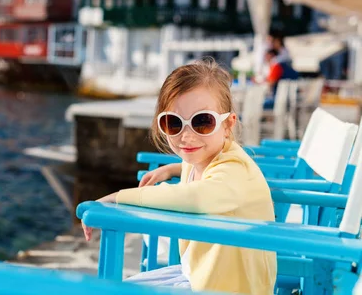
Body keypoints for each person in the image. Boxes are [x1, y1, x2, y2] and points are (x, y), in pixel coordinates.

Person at [81, 59, 277, 294]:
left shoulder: (235, 169)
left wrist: (117, 197)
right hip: (200, 277)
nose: (187, 136)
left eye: (202, 122)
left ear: (228, 125)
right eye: (173, 123)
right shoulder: (203, 158)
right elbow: (192, 167)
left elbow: (199, 198)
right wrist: (171, 169)